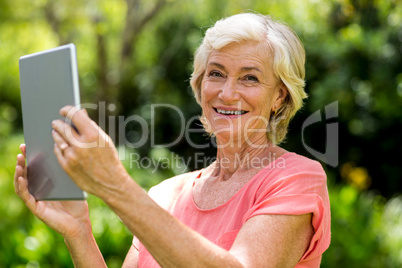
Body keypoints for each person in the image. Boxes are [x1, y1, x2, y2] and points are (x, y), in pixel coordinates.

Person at [14, 13, 330, 267]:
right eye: (216, 73)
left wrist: (114, 185)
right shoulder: (164, 196)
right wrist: (79, 231)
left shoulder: (296, 178)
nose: (227, 93)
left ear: (279, 95)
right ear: (200, 84)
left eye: (250, 77)